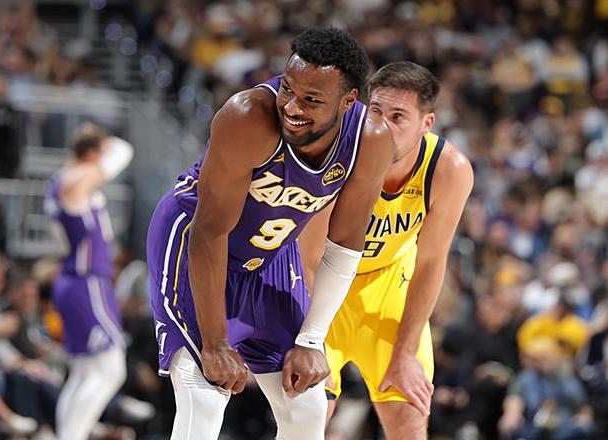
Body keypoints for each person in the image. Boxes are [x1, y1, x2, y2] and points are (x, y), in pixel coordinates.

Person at [146, 27, 394, 440]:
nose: (292, 107)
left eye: (311, 100)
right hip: (197, 244)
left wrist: (311, 340)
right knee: (204, 393)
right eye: (288, 89)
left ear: (349, 100)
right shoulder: (247, 117)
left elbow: (346, 245)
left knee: (307, 405)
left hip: (271, 255)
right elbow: (209, 232)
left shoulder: (370, 140)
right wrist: (215, 343)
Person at [299, 61, 474, 439]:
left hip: (388, 289)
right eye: (376, 111)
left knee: (409, 416)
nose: (383, 124)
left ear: (426, 123)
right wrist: (309, 339)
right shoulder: (335, 155)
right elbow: (307, 257)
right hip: (323, 289)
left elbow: (431, 262)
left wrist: (406, 353)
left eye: (399, 117)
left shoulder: (449, 169)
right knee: (308, 416)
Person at [44, 123, 133, 440]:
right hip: (86, 282)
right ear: (93, 153)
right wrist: (103, 145)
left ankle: (67, 435)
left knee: (84, 372)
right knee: (111, 370)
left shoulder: (65, 177)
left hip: (77, 281)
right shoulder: (76, 179)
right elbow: (123, 151)